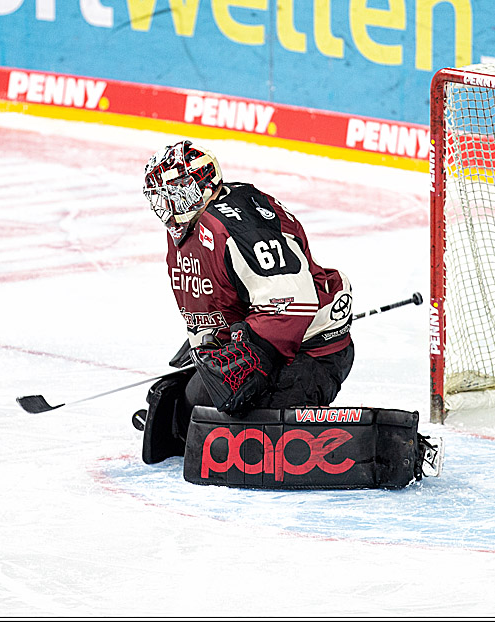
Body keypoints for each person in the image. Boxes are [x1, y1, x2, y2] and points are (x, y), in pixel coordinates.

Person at [139, 139, 354, 464]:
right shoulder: (185, 231)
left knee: (251, 446)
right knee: (194, 402)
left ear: (206, 186)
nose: (170, 206)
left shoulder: (239, 225)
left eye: (179, 192)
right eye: (163, 198)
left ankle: (371, 447)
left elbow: (292, 302)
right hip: (261, 341)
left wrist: (255, 353)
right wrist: (210, 345)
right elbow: (212, 302)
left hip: (310, 351)